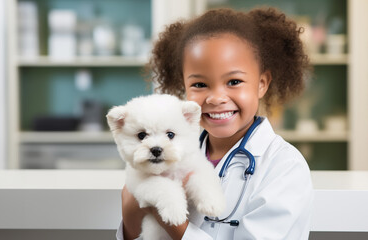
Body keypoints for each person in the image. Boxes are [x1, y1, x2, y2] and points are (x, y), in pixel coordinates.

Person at [116, 7, 314, 240]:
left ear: (262, 83)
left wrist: (172, 223)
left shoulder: (284, 167)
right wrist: (130, 221)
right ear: (184, 88)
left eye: (234, 81)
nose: (216, 98)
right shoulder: (173, 151)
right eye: (200, 85)